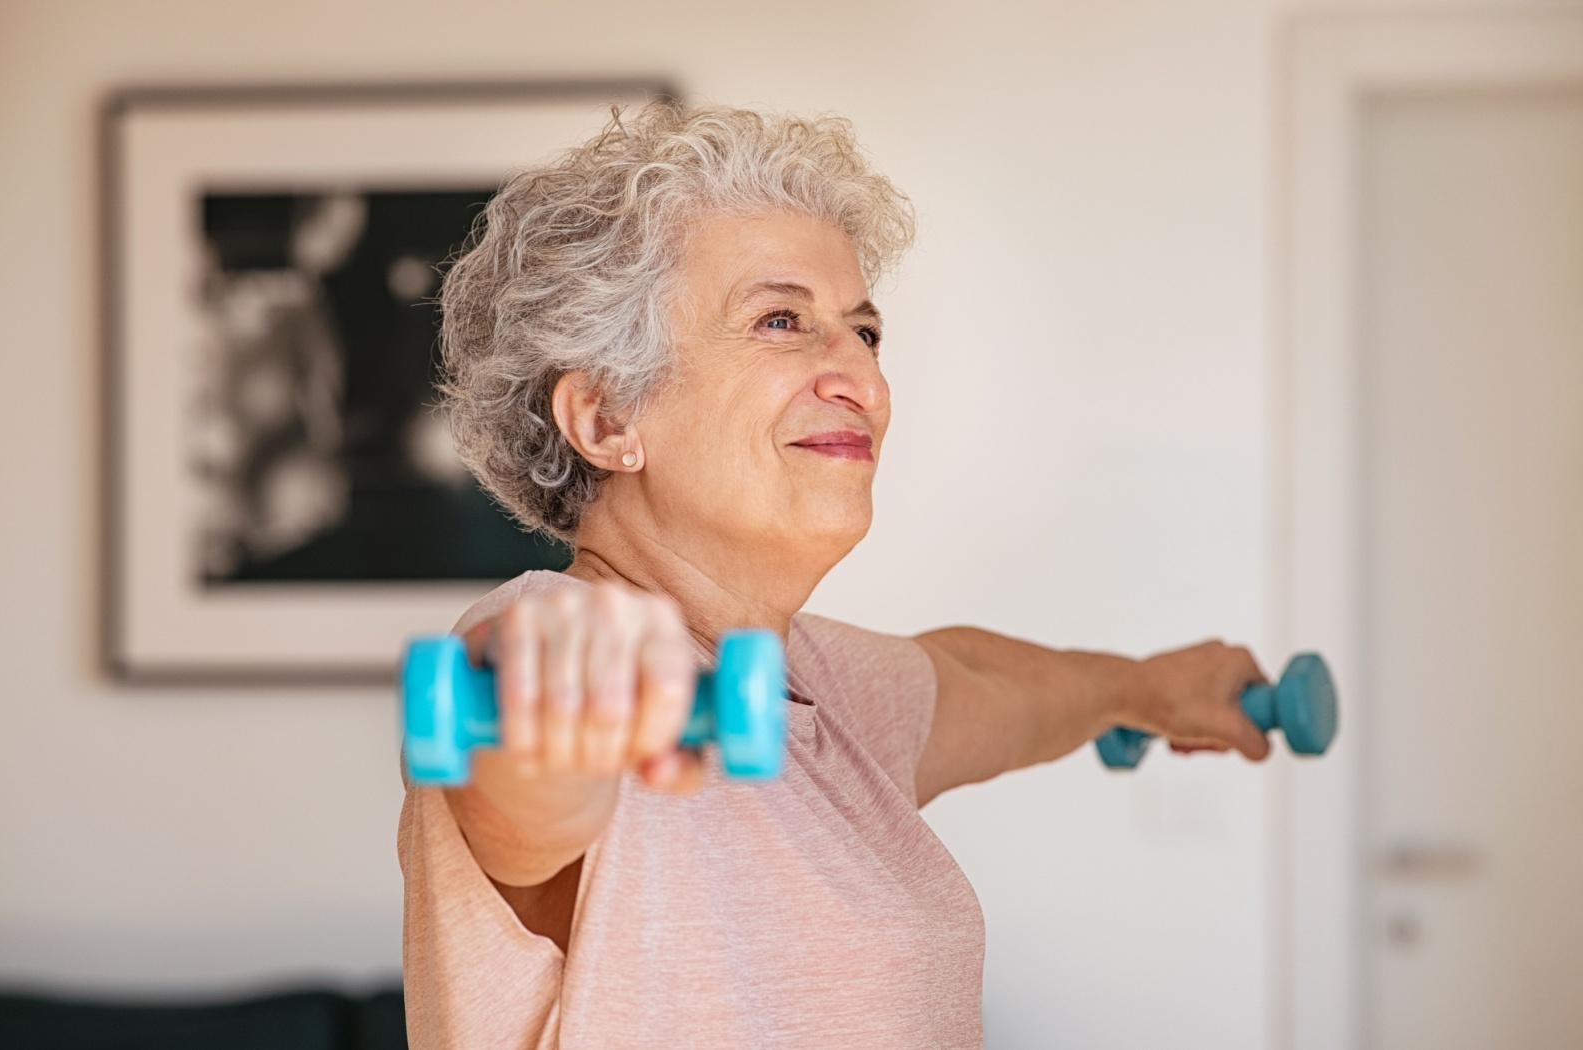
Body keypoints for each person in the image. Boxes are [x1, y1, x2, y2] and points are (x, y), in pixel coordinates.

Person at [399, 102, 1271, 1049]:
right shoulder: (556, 633)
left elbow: (982, 680)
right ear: (608, 421)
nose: (860, 375)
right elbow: (517, 748)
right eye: (781, 321)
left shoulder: (819, 687)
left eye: (865, 332)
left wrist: (1154, 691)